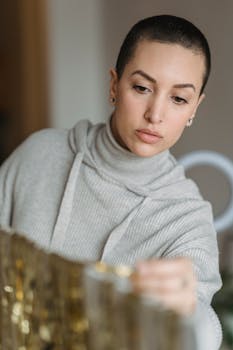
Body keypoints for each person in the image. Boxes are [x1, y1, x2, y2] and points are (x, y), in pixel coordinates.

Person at [0, 14, 222, 349]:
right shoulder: (39, 155)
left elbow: (203, 332)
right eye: (142, 88)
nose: (155, 114)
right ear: (114, 85)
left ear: (194, 108)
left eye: (178, 99)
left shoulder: (187, 220)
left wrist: (189, 312)